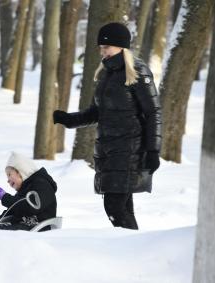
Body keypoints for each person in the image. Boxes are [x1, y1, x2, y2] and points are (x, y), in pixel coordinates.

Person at [53, 22, 161, 230]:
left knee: (114, 207)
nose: (103, 52)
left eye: (107, 47)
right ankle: (133, 249)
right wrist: (69, 120)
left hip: (130, 149)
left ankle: (131, 249)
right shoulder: (106, 74)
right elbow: (96, 112)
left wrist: (153, 150)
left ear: (121, 46)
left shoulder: (137, 71)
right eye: (101, 48)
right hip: (108, 150)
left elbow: (153, 112)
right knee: (121, 207)